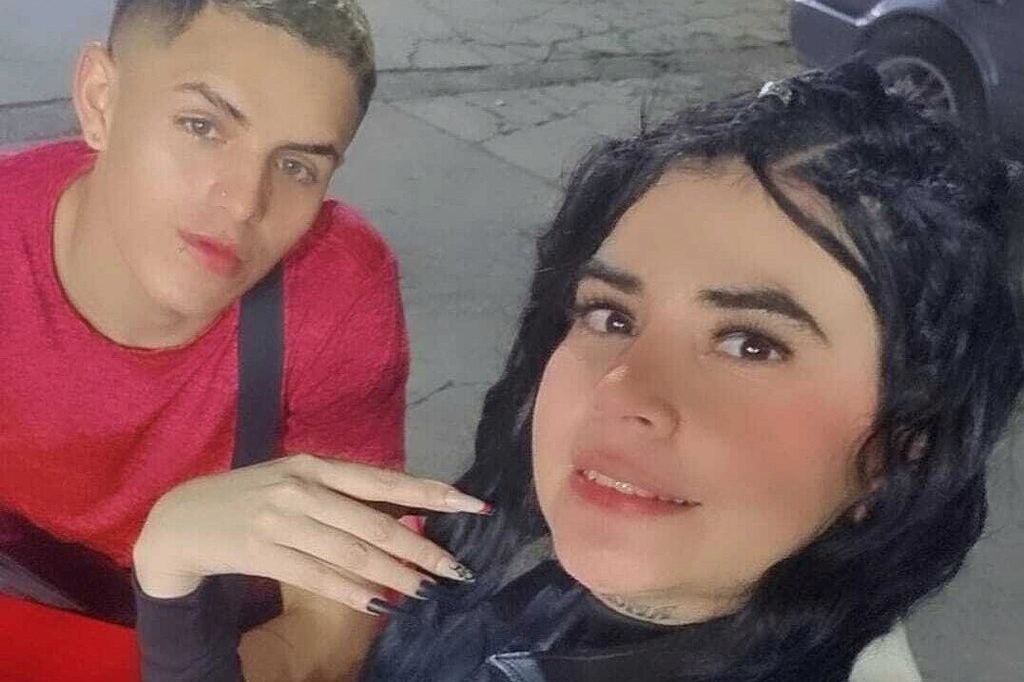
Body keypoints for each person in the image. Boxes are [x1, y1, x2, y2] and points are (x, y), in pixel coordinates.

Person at [132, 63, 1024, 682]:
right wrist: (172, 574)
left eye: (752, 343)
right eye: (611, 316)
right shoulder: (550, 581)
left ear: (901, 448)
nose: (621, 389)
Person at [0, 0, 491, 680]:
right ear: (100, 101)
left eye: (296, 166)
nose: (242, 203)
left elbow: (331, 628)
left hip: (222, 638)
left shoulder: (333, 290)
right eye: (203, 126)